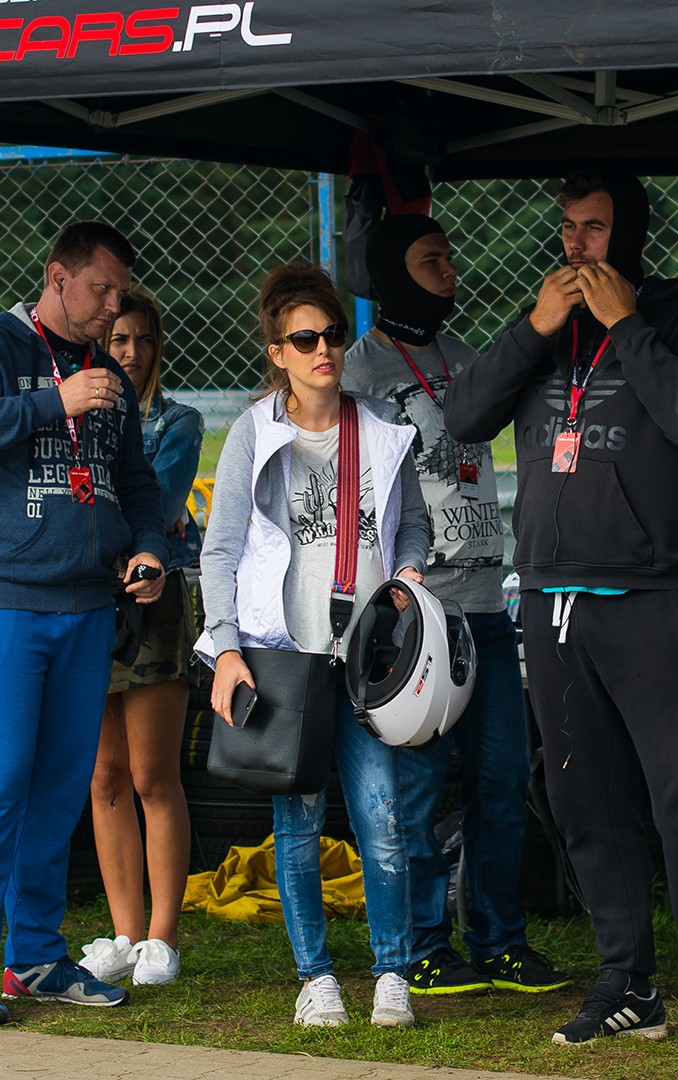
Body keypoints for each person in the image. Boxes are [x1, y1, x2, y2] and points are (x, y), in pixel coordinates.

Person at [441, 170, 678, 1057]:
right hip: (552, 596)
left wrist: (627, 323)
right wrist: (535, 327)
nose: (576, 243)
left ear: (631, 234)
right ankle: (627, 981)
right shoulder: (545, 322)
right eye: (569, 226)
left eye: (594, 227)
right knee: (585, 798)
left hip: (652, 595)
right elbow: (464, 416)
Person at [0, 222, 169, 1025]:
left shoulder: (110, 374)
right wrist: (50, 403)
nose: (113, 306)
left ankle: (33, 954)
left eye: (121, 292)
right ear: (58, 278)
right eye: (101, 289)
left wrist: (149, 547)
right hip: (1, 598)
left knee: (61, 789)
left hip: (87, 604)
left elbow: (135, 480)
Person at [198, 263, 430, 1029]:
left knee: (383, 820)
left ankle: (392, 973)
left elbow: (413, 524)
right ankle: (315, 978)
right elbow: (220, 550)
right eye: (304, 339)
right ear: (278, 353)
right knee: (297, 824)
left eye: (332, 335)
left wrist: (407, 572)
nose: (323, 349)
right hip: (285, 656)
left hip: (367, 658)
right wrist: (226, 648)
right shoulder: (253, 431)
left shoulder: (382, 429)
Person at [339, 216, 564, 997]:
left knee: (500, 779)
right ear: (391, 274)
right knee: (418, 785)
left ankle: (499, 938)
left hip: (485, 605)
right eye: (429, 259)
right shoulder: (359, 371)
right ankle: (425, 945)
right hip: (417, 611)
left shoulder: (469, 358)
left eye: (449, 256)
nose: (448, 269)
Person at [79, 286, 203, 989]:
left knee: (153, 776)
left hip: (152, 599)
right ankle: (125, 932)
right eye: (118, 340)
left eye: (142, 340)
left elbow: (151, 504)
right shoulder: (75, 417)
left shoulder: (176, 422)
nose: (130, 352)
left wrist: (90, 514)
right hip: (86, 599)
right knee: (105, 775)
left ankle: (163, 936)